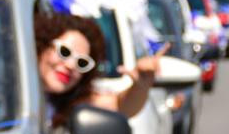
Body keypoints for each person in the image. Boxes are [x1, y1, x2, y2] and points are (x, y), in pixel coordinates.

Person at [34, 10, 165, 127]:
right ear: (43, 45)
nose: (70, 65)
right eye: (64, 52)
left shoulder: (70, 105)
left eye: (82, 63)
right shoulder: (15, 86)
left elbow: (120, 105)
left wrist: (141, 85)